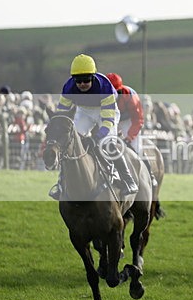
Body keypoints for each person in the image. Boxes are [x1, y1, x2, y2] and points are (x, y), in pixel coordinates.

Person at [49, 54, 137, 199]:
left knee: (107, 144)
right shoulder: (68, 87)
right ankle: (60, 183)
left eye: (86, 79)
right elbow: (62, 115)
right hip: (84, 111)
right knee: (70, 142)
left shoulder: (104, 86)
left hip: (106, 111)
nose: (82, 84)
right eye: (78, 80)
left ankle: (128, 179)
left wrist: (97, 137)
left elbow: (107, 121)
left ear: (93, 77)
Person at [106, 73, 144, 155]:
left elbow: (138, 120)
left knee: (135, 146)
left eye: (114, 93)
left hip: (128, 121)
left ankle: (143, 160)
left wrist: (130, 137)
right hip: (110, 120)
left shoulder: (131, 97)